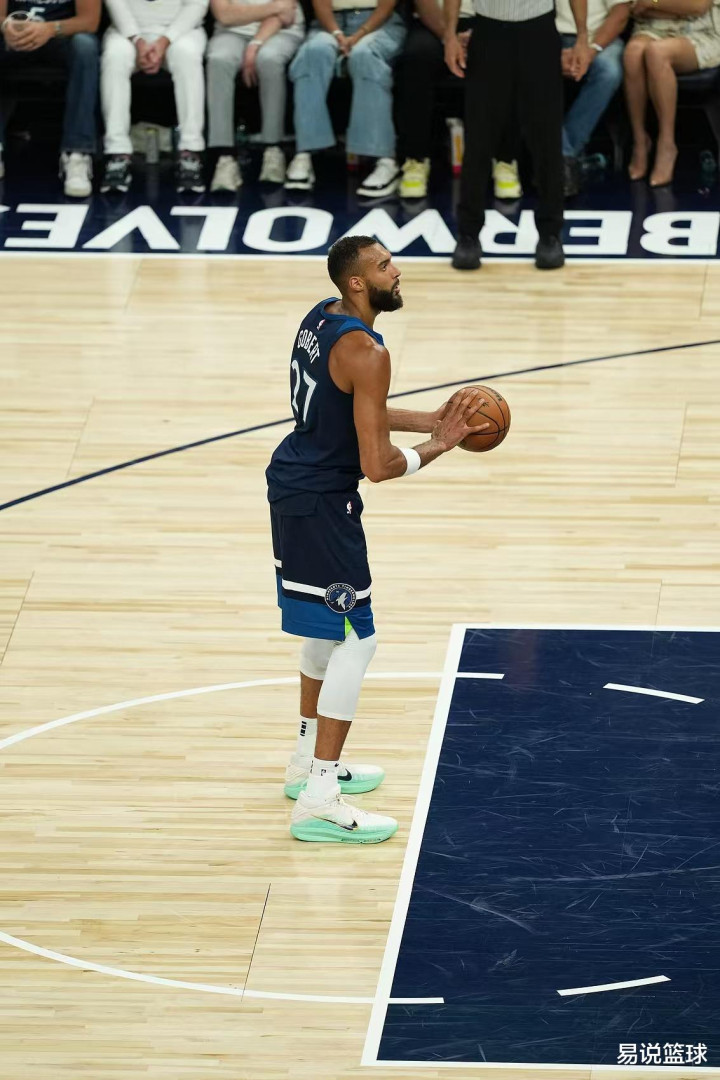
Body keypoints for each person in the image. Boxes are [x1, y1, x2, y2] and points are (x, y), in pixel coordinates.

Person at [266, 235, 488, 843]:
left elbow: (351, 407)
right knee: (357, 639)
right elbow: (378, 464)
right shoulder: (368, 350)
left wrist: (431, 418)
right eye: (385, 266)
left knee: (324, 632)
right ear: (358, 282)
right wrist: (438, 445)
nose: (397, 271)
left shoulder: (323, 316)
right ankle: (320, 797)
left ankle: (304, 764)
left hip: (294, 485)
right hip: (321, 504)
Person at [445, 0, 590, 272]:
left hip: (539, 31)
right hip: (488, 32)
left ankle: (550, 234)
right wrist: (450, 35)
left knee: (546, 140)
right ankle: (468, 235)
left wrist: (582, 37)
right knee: (478, 138)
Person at [395, 0, 522, 200]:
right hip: (433, 23)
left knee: (505, 58)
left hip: (487, 23)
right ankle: (416, 160)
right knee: (417, 57)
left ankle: (505, 160)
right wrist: (449, 37)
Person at [285, 0, 406, 197]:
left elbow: (386, 6)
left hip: (379, 23)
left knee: (364, 55)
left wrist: (359, 34)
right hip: (330, 24)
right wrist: (337, 34)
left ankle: (385, 159)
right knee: (312, 53)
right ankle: (304, 153)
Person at [100, 0, 208, 193]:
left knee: (187, 54)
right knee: (115, 57)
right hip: (127, 31)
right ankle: (118, 153)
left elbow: (197, 5)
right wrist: (137, 40)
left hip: (182, 31)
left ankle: (190, 151)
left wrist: (165, 40)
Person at [0, 0, 100, 195]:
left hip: (60, 36)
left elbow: (90, 21)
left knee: (85, 46)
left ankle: (76, 154)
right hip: (15, 36)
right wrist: (6, 26)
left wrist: (50, 29)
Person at [206, 0, 304, 191]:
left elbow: (285, 13)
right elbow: (224, 15)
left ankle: (273, 149)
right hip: (231, 31)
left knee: (268, 59)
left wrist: (254, 44)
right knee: (219, 60)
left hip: (280, 30)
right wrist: (272, 7)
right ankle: (225, 157)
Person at [624, 0, 720, 187]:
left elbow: (698, 7)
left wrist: (653, 2)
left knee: (657, 53)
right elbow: (636, 7)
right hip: (654, 27)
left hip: (701, 31)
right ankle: (640, 140)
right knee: (632, 54)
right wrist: (673, 8)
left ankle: (666, 143)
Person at [557, 0, 630, 196]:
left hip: (598, 38)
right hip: (544, 37)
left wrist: (591, 51)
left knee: (610, 71)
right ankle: (563, 159)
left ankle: (563, 155)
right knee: (530, 65)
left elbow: (621, 12)